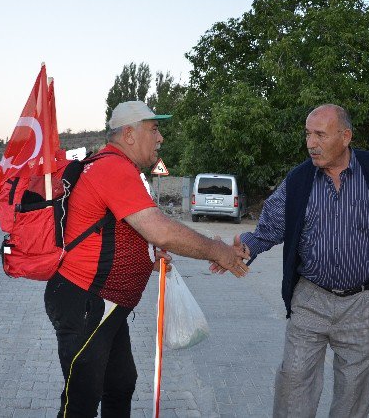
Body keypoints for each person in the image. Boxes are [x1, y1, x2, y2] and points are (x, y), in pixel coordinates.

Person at [44, 101, 250, 417]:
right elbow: (161, 231)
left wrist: (144, 257)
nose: (160, 138)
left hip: (104, 305)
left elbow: (116, 228)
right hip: (87, 302)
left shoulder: (113, 166)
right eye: (153, 129)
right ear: (129, 134)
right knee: (81, 402)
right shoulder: (112, 168)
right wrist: (217, 250)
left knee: (121, 384)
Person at [228, 104, 369, 417]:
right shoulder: (299, 179)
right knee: (293, 380)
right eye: (308, 134)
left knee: (354, 393)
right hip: (311, 299)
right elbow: (270, 227)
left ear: (346, 137)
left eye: (320, 134)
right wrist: (240, 250)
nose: (310, 143)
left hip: (365, 304)